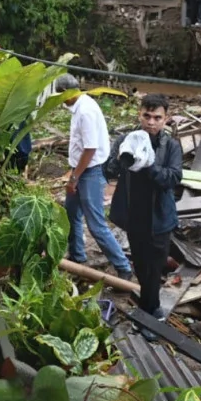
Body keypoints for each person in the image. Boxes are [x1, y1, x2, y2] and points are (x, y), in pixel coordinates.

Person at [106, 94, 182, 342]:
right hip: (134, 214)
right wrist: (119, 159)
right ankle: (152, 309)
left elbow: (173, 178)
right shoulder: (126, 140)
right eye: (146, 116)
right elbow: (108, 171)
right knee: (140, 265)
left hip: (159, 217)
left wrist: (149, 165)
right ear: (139, 114)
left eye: (157, 117)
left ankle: (148, 314)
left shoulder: (170, 146)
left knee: (154, 267)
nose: (151, 122)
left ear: (166, 119)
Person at [57, 74, 133, 279]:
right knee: (71, 213)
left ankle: (123, 267)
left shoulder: (85, 111)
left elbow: (90, 148)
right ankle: (77, 256)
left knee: (95, 223)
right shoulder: (80, 106)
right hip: (81, 169)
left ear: (67, 93)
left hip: (90, 171)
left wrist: (75, 178)